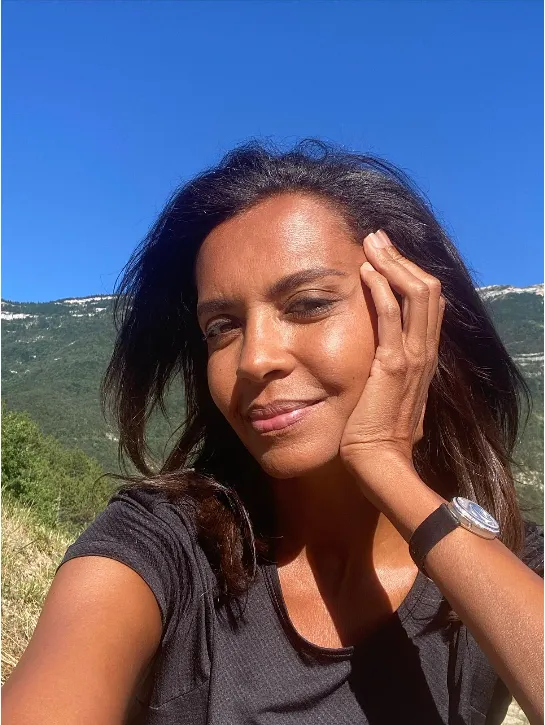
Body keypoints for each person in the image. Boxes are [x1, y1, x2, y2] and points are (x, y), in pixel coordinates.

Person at [2, 140, 543, 725]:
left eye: (307, 304)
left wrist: (391, 470)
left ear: (416, 319)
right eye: (221, 326)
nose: (253, 359)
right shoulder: (162, 545)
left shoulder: (510, 564)